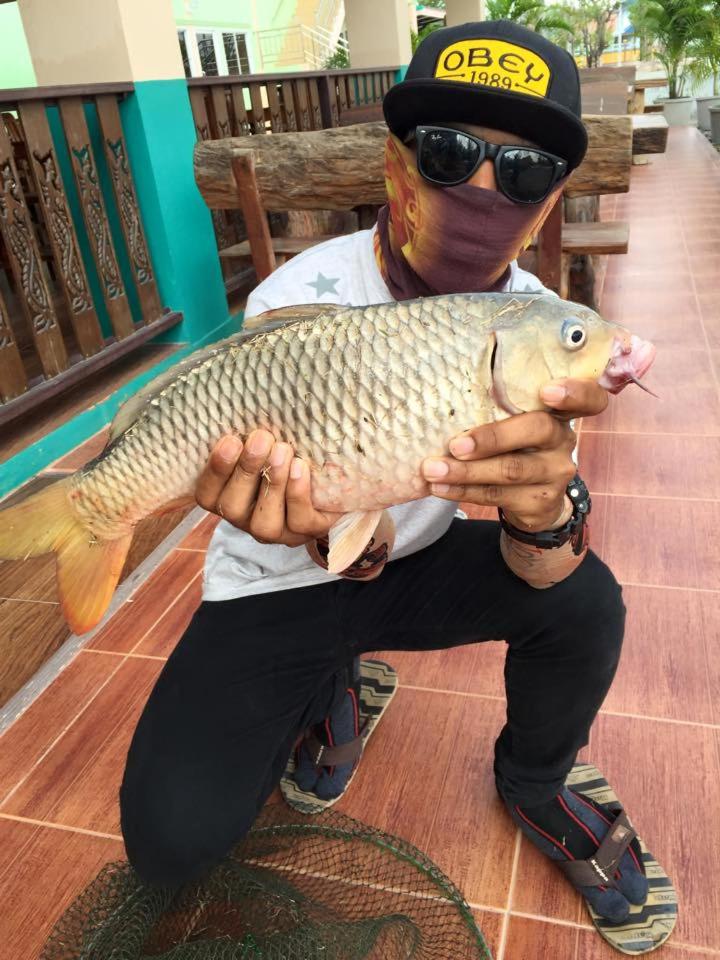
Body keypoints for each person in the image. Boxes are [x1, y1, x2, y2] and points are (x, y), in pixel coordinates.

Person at [119, 20, 673, 951]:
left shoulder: (542, 331)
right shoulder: (302, 300)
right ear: (396, 164)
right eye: (450, 153)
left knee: (586, 601)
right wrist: (309, 526)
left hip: (414, 557)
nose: (484, 192)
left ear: (549, 202)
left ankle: (536, 782)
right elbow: (294, 510)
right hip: (280, 575)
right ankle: (331, 680)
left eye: (525, 172)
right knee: (169, 843)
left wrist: (543, 509)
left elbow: (543, 561)